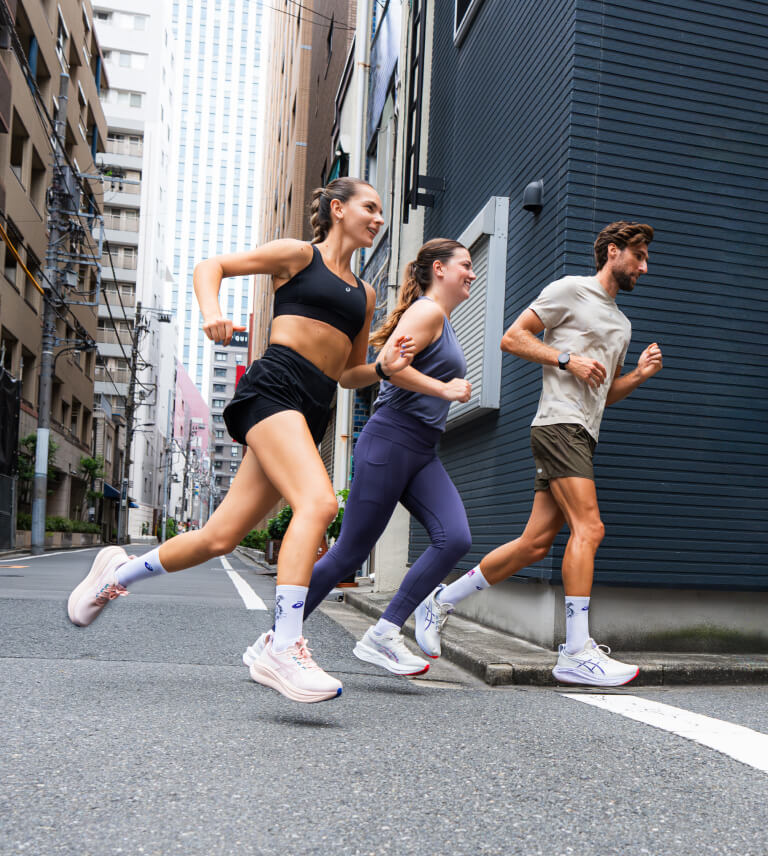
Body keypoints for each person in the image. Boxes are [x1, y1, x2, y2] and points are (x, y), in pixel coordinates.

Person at [67, 177, 416, 704]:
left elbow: (347, 373)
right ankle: (283, 645)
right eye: (371, 207)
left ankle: (116, 574)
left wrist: (383, 367)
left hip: (313, 407)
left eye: (381, 211)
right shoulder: (299, 256)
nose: (378, 218)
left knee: (219, 538)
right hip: (274, 388)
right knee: (318, 502)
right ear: (338, 209)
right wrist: (211, 313)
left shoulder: (365, 294)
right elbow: (212, 268)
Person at [415, 221, 663, 686]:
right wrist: (566, 359)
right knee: (590, 527)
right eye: (639, 256)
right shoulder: (571, 290)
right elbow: (513, 338)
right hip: (558, 424)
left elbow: (602, 393)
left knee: (534, 545)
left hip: (583, 431)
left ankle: (440, 601)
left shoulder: (623, 325)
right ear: (613, 251)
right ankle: (574, 651)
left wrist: (639, 376)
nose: (644, 268)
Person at [243, 239, 474, 677]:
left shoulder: (441, 318)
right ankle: (275, 640)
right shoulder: (426, 312)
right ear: (440, 270)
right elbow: (389, 363)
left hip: (423, 448)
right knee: (349, 552)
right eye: (465, 265)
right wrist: (444, 389)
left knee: (455, 538)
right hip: (391, 440)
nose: (472, 273)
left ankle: (384, 632)